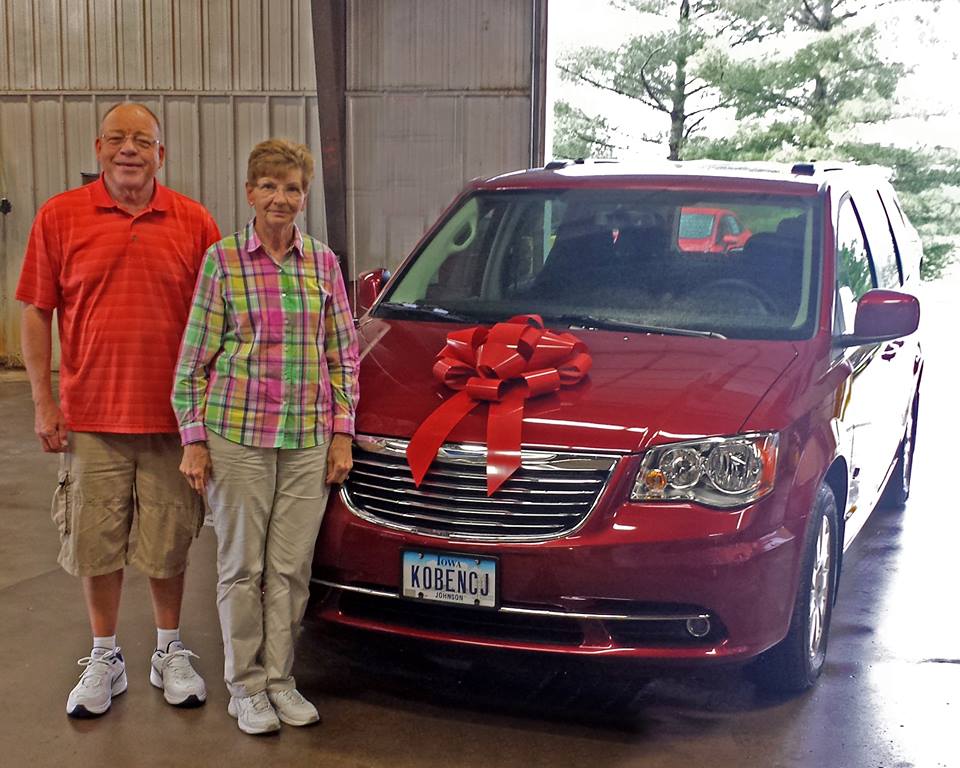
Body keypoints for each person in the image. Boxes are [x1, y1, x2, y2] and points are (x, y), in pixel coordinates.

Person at [16, 102, 221, 718]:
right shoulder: (60, 217)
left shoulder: (194, 222)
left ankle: (167, 649)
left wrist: (208, 415)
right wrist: (44, 401)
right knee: (95, 543)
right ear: (98, 148)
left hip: (174, 423)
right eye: (118, 139)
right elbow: (35, 311)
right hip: (92, 419)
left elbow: (221, 319)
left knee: (169, 542)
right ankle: (105, 655)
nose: (129, 150)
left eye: (144, 141)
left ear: (163, 154)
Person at [172, 138, 360, 736]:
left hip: (307, 440)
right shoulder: (222, 261)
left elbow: (343, 356)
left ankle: (281, 680)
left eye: (292, 188)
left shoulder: (323, 263)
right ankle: (245, 687)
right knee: (241, 567)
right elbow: (193, 361)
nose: (281, 198)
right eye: (270, 186)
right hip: (238, 436)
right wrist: (194, 438)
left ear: (304, 198)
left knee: (289, 569)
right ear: (250, 192)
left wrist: (341, 433)